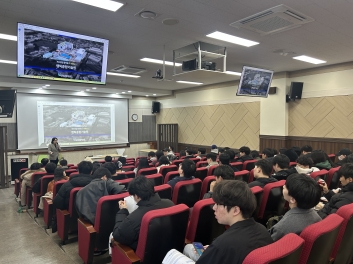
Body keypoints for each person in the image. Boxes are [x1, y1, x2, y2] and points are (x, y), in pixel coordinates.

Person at [182, 180, 273, 263]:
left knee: (183, 249)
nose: (214, 208)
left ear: (235, 210)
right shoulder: (263, 230)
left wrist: (214, 250)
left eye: (218, 204)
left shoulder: (222, 244)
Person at [112, 176, 174, 250]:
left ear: (137, 196)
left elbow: (118, 235)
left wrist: (123, 211)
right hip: (168, 248)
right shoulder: (170, 203)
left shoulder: (133, 219)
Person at [269, 173, 322, 241]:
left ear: (293, 199)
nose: (283, 186)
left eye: (286, 186)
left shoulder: (281, 228)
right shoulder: (317, 217)